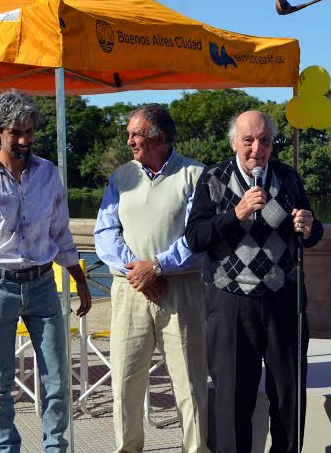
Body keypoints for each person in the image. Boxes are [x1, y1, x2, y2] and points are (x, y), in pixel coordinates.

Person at [0, 89, 92, 453]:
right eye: (15, 132)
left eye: (29, 132)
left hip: (44, 285)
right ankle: (6, 449)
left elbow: (61, 233)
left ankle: (55, 448)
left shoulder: (48, 174)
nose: (24, 140)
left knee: (57, 380)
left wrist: (80, 280)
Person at [185, 110, 323, 453]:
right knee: (233, 398)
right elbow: (195, 238)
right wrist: (237, 213)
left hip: (283, 299)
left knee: (289, 397)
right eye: (248, 140)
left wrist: (309, 226)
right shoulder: (213, 178)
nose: (256, 149)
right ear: (234, 142)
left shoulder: (288, 178)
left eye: (264, 141)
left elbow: (312, 233)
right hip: (231, 302)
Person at [94, 104, 208, 453]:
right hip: (130, 290)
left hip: (181, 289)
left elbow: (200, 237)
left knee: (190, 383)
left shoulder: (196, 175)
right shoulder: (121, 177)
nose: (129, 141)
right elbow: (105, 233)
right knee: (125, 383)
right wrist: (139, 271)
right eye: (129, 134)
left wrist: (157, 266)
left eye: (136, 134)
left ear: (160, 137)